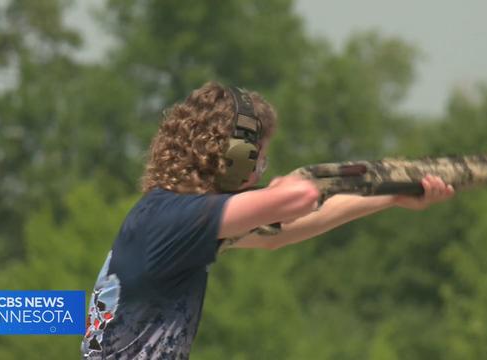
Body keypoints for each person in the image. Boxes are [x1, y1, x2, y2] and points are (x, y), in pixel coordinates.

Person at [80, 82, 455, 359]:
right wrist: (285, 190)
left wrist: (391, 195)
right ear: (234, 155)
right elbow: (303, 198)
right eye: (258, 159)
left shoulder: (170, 219)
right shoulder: (173, 220)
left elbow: (282, 231)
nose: (260, 171)